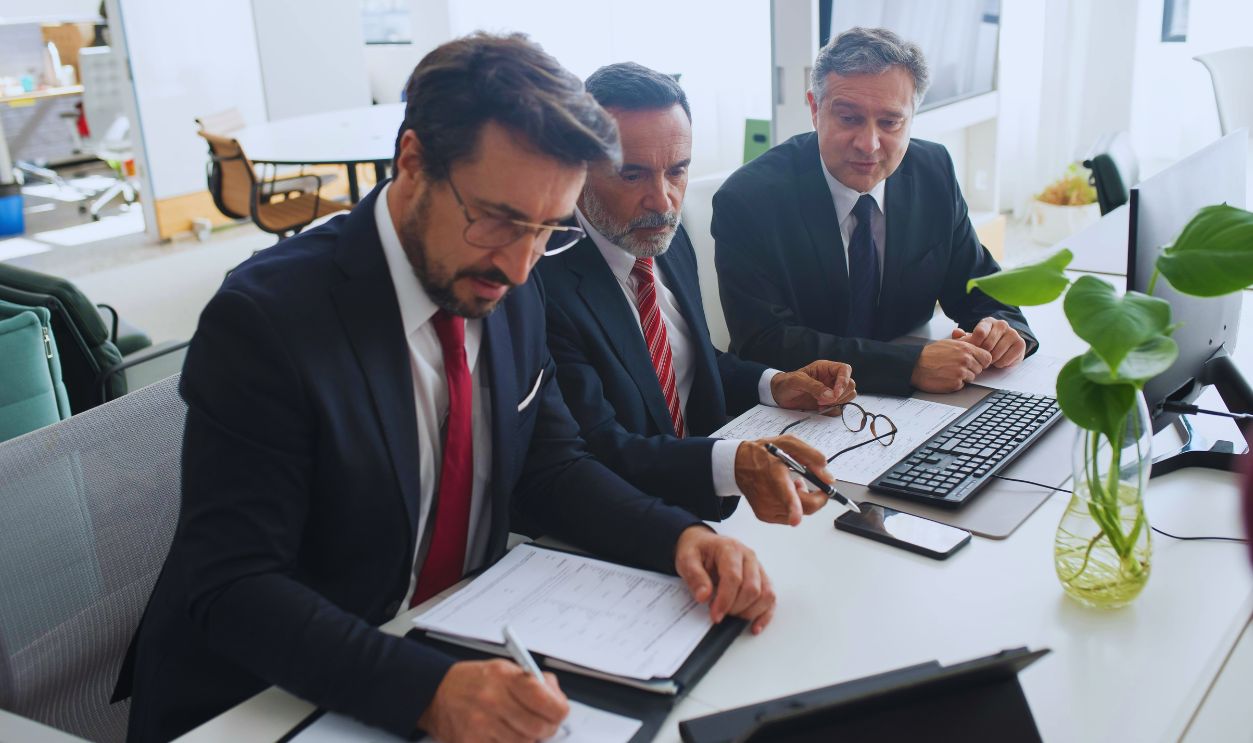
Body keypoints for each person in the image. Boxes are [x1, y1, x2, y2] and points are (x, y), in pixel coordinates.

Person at [113, 34, 774, 743]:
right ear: (412, 161)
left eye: (548, 228)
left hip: (454, 633)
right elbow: (234, 585)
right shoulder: (267, 320)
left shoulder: (510, 284)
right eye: (499, 219)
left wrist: (675, 534)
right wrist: (428, 690)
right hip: (267, 697)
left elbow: (549, 466)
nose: (520, 266)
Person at [536, 62, 856, 526]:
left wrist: (774, 384)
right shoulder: (543, 279)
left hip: (714, 502)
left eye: (678, 171)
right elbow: (597, 448)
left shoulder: (663, 235)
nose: (663, 200)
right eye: (632, 175)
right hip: (629, 520)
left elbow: (686, 358)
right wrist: (735, 465)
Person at [713, 27, 1037, 397]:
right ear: (815, 109)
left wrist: (1003, 330)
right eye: (849, 118)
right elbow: (766, 340)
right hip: (803, 403)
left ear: (913, 116)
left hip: (921, 403)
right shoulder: (749, 200)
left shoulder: (934, 170)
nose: (869, 145)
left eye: (890, 122)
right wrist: (908, 366)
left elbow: (978, 285)